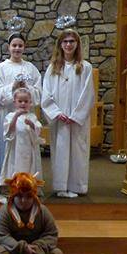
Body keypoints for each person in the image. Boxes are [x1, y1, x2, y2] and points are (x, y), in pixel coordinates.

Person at [42, 29, 94, 198]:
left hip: (77, 119)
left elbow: (88, 93)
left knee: (78, 151)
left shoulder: (85, 67)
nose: (68, 44)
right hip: (60, 118)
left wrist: (77, 114)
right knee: (61, 150)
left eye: (72, 41)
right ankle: (61, 186)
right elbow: (46, 93)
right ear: (60, 45)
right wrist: (56, 112)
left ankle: (77, 186)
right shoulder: (53, 68)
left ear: (77, 44)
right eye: (65, 42)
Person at [0, 172, 63, 254]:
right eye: (19, 196)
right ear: (13, 196)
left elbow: (51, 234)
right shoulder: (5, 212)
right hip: (15, 249)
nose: (23, 201)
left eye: (28, 197)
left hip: (37, 251)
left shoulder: (42, 211)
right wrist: (22, 248)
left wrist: (36, 247)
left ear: (34, 197)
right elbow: (2, 236)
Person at [0, 33, 42, 172]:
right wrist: (13, 87)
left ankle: (28, 182)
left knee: (26, 151)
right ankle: (7, 181)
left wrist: (27, 87)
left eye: (20, 45)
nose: (17, 48)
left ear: (24, 47)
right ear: (8, 47)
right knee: (8, 149)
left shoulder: (31, 68)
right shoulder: (2, 68)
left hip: (26, 117)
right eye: (14, 45)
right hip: (7, 115)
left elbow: (38, 94)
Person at [0, 88, 42, 198]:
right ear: (15, 102)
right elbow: (9, 131)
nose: (23, 104)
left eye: (26, 101)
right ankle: (14, 190)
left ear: (30, 103)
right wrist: (16, 116)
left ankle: (28, 189)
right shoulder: (10, 116)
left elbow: (38, 129)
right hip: (16, 149)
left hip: (28, 150)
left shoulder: (32, 116)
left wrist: (32, 125)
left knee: (28, 168)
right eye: (20, 101)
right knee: (15, 168)